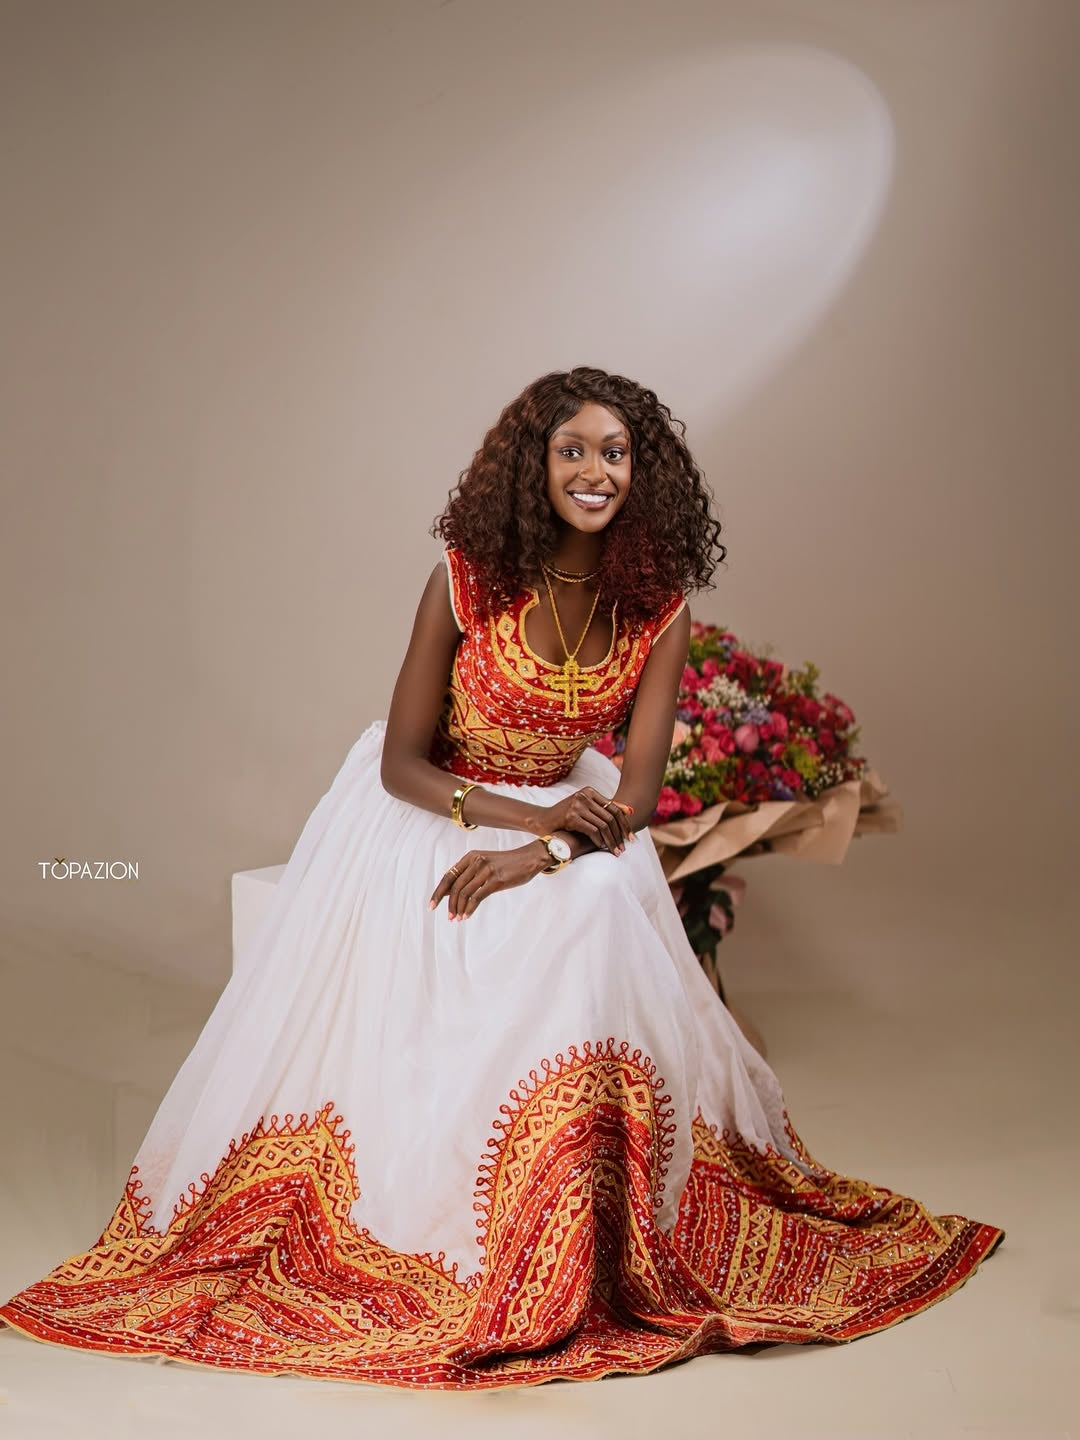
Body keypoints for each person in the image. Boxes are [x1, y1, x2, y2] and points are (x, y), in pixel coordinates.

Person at [0, 367, 1002, 1389]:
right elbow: (401, 764)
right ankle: (497, 1236)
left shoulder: (658, 609)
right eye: (572, 450)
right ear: (534, 465)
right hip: (434, 812)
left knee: (599, 896)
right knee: (561, 910)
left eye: (615, 453)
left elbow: (637, 795)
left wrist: (544, 852)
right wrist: (524, 820)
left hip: (568, 819)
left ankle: (582, 1230)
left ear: (643, 473)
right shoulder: (465, 578)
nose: (595, 471)